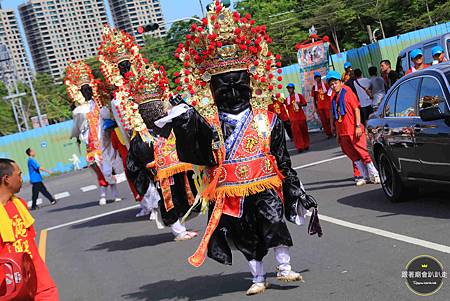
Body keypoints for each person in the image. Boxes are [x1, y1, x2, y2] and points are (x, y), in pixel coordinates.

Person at [165, 3, 313, 295]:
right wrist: (184, 125)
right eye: (224, 86)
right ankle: (257, 275)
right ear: (212, 89)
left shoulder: (266, 120)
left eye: (238, 84)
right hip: (231, 189)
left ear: (251, 82)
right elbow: (197, 154)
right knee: (243, 232)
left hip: (265, 183)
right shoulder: (209, 123)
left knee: (273, 222)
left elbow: (283, 160)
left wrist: (295, 188)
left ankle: (284, 267)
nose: (232, 92)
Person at [0, 158, 59, 300]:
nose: (21, 178)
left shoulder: (20, 204)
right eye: (19, 174)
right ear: (7, 179)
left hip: (40, 283)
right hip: (10, 290)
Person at [326, 70, 380, 186]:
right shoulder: (334, 97)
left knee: (362, 151)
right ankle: (364, 175)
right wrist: (335, 130)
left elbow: (356, 109)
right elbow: (336, 114)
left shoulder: (347, 92)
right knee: (352, 154)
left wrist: (357, 126)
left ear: (340, 82)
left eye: (335, 83)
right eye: (331, 84)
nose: (333, 86)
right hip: (343, 130)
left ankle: (375, 174)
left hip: (352, 128)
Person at [286, 83, 310, 152]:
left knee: (304, 131)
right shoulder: (287, 99)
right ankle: (299, 147)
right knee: (296, 133)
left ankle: (306, 144)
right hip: (293, 119)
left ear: (293, 88)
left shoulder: (299, 96)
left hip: (301, 117)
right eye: (288, 88)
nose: (289, 90)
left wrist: (300, 104)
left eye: (290, 88)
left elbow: (305, 104)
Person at [311, 71, 332, 138]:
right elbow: (314, 98)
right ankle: (329, 134)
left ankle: (333, 131)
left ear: (320, 77)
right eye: (316, 77)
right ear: (314, 79)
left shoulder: (326, 85)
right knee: (324, 121)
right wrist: (315, 107)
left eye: (318, 77)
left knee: (330, 119)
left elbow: (330, 94)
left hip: (327, 105)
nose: (317, 79)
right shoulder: (314, 88)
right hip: (320, 107)